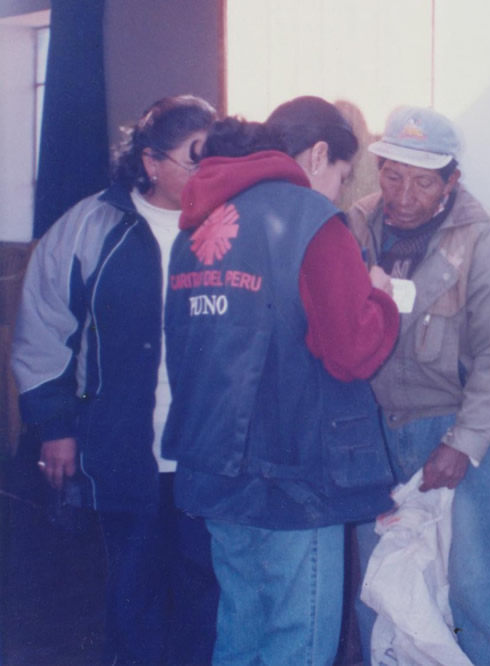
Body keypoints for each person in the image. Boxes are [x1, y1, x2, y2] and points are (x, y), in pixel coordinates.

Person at [161, 97, 400, 665]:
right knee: (298, 641)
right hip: (296, 476)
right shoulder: (311, 221)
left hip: (215, 467)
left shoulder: (197, 227)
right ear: (320, 155)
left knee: (241, 628)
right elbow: (351, 350)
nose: (339, 194)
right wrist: (383, 302)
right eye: (342, 177)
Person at [12, 95, 220, 664]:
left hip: (207, 452)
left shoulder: (227, 228)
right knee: (132, 592)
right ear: (152, 163)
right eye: (195, 159)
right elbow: (43, 330)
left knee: (206, 594)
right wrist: (56, 425)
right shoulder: (90, 226)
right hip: (123, 449)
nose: (209, 173)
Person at [348, 106, 490, 664]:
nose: (404, 194)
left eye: (424, 181)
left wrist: (462, 443)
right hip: (374, 436)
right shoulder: (356, 224)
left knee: (475, 591)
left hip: (457, 434)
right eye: (394, 175)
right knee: (379, 589)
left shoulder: (481, 237)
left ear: (452, 181)